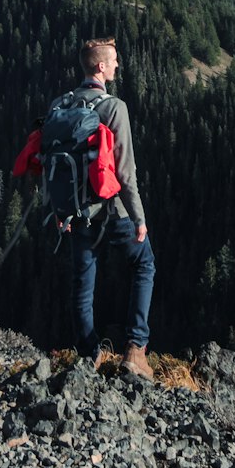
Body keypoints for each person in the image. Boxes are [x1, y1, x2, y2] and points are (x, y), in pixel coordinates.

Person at [67, 36, 156, 379]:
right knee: (144, 264)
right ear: (101, 67)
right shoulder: (114, 108)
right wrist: (139, 219)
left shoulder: (65, 105)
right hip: (114, 211)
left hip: (77, 213)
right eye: (114, 60)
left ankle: (88, 357)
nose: (118, 65)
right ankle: (135, 350)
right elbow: (126, 172)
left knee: (82, 283)